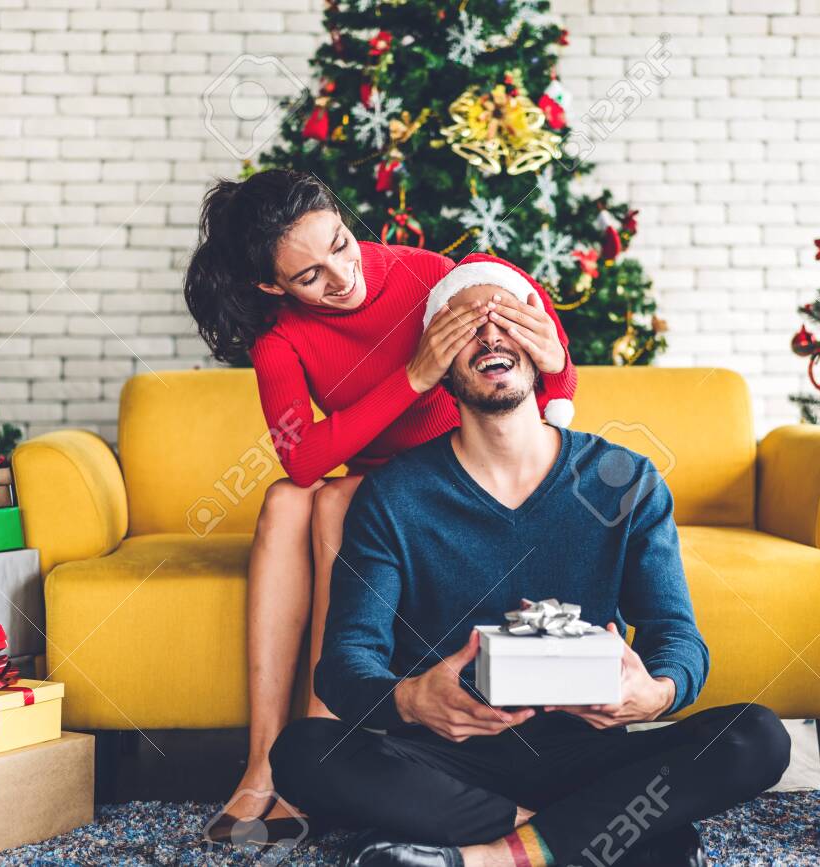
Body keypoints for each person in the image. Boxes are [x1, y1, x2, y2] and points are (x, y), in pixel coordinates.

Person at [269, 275, 791, 867]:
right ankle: (602, 835)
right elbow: (344, 664)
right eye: (466, 326)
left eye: (511, 319)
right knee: (303, 751)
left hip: (588, 751)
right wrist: (412, 701)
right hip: (450, 750)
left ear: (542, 348)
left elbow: (677, 635)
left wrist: (657, 692)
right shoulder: (395, 496)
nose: (492, 334)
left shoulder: (622, 479)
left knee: (757, 736)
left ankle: (488, 853)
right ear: (437, 363)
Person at [183, 169, 578, 831]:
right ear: (270, 285)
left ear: (344, 219)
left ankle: (324, 740)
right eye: (309, 276)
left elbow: (550, 362)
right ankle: (263, 763)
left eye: (340, 243)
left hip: (453, 477)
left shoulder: (428, 275)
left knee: (335, 503)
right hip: (379, 487)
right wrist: (414, 375)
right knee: (287, 499)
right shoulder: (279, 340)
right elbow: (300, 456)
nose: (341, 276)